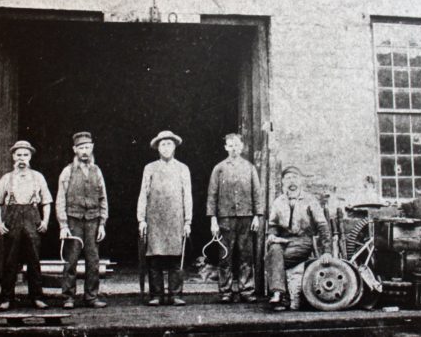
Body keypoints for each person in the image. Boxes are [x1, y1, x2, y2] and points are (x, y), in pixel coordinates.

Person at [0, 140, 52, 310]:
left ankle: (37, 297)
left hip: (33, 220)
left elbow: (47, 201)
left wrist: (45, 221)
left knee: (34, 260)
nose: (22, 158)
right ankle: (6, 298)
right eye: (18, 155)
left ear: (30, 157)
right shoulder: (6, 178)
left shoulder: (38, 177)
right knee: (10, 261)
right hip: (13, 221)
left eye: (25, 155)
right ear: (13, 156)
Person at [137, 130, 192, 306]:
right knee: (155, 258)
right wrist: (141, 219)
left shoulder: (183, 168)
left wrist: (188, 221)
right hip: (155, 220)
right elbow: (143, 194)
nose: (166, 148)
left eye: (169, 144)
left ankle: (175, 294)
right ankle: (156, 295)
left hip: (176, 219)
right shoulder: (150, 168)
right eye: (162, 144)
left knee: (176, 258)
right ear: (158, 148)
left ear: (174, 146)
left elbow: (187, 195)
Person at [206, 133, 263, 303]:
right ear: (225, 148)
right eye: (230, 145)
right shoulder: (219, 168)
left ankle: (246, 290)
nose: (234, 149)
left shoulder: (250, 167)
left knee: (246, 255)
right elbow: (212, 195)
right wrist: (213, 219)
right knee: (225, 255)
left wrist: (257, 216)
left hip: (246, 217)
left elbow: (257, 194)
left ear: (242, 147)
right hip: (225, 218)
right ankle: (226, 291)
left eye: (236, 145)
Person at [265, 166, 332, 310]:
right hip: (282, 241)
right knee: (274, 250)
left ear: (300, 181)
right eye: (288, 178)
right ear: (283, 182)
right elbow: (273, 225)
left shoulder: (310, 200)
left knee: (274, 259)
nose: (292, 182)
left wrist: (327, 251)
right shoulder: (279, 202)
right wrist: (272, 235)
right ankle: (279, 294)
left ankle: (281, 297)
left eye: (295, 178)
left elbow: (323, 226)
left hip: (303, 241)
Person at [56, 132, 109, 309]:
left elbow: (103, 198)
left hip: (93, 220)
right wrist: (63, 224)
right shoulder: (68, 171)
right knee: (71, 259)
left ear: (92, 148)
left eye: (87, 147)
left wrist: (102, 223)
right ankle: (68, 297)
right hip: (74, 220)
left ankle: (91, 297)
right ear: (75, 150)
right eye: (81, 148)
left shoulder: (97, 171)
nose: (84, 151)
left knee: (93, 260)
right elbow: (60, 198)